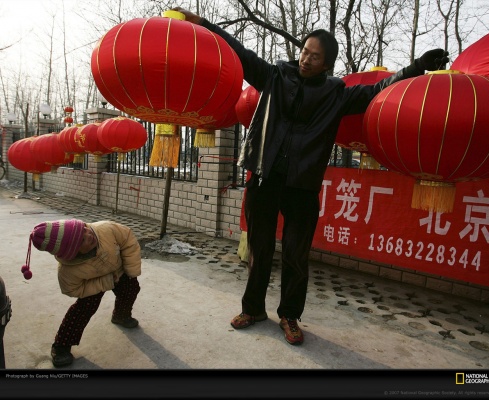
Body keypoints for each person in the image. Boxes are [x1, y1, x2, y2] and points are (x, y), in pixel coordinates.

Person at [174, 7, 449, 345]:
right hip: (264, 178)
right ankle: (253, 309)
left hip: (302, 187)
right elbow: (240, 53)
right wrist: (204, 24)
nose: (306, 59)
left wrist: (417, 66)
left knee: (295, 255)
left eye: (314, 56)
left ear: (326, 64)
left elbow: (380, 88)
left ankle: (289, 316)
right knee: (259, 249)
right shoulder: (274, 76)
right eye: (305, 51)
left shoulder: (336, 94)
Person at [21, 219, 142, 367]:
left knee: (131, 289)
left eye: (84, 229)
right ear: (74, 253)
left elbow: (128, 240)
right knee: (84, 309)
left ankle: (121, 315)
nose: (89, 235)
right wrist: (105, 282)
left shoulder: (107, 229)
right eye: (82, 240)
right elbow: (73, 289)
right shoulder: (68, 271)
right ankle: (61, 346)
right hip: (93, 281)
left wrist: (131, 270)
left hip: (118, 269)